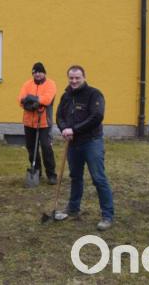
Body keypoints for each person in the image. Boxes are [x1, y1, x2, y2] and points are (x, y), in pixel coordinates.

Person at [54, 65, 115, 231]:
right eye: (71, 78)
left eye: (77, 78)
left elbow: (97, 117)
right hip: (73, 144)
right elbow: (59, 116)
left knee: (98, 178)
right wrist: (64, 129)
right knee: (75, 176)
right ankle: (73, 208)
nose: (74, 81)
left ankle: (107, 215)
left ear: (84, 77)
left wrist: (74, 129)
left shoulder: (94, 94)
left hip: (91, 141)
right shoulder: (66, 96)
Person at [18, 62, 58, 185]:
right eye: (35, 72)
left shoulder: (50, 84)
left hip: (44, 122)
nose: (38, 74)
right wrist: (32, 103)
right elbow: (21, 100)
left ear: (44, 73)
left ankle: (51, 174)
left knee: (46, 147)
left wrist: (32, 99)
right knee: (31, 148)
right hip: (29, 122)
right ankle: (36, 171)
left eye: (40, 72)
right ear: (33, 74)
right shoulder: (27, 84)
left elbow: (47, 99)